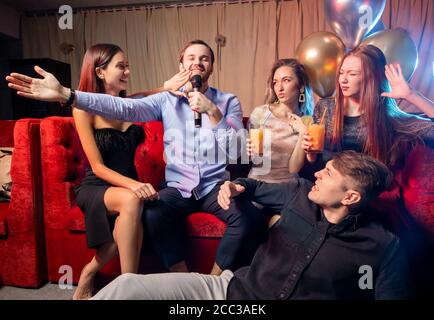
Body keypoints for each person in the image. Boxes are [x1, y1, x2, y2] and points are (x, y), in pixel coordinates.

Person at [6, 39, 262, 276]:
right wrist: (68, 94)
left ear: (212, 67)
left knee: (245, 218)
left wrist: (213, 112)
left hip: (213, 186)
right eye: (191, 57)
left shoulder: (229, 102)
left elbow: (236, 149)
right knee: (151, 215)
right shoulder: (165, 101)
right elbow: (124, 106)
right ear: (181, 65)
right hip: (178, 187)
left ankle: (212, 282)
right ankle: (183, 278)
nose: (197, 62)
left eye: (204, 58)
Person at [89, 150, 412, 300]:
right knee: (128, 286)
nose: (317, 174)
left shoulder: (383, 247)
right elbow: (253, 186)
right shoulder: (299, 193)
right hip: (231, 292)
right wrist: (235, 185)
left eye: (328, 174)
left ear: (351, 196)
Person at [23, 43, 190, 300]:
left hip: (127, 186)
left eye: (127, 66)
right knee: (134, 200)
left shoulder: (131, 104)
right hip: (98, 185)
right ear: (100, 72)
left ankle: (94, 274)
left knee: (129, 219)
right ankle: (130, 289)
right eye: (121, 66)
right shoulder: (82, 109)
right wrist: (134, 185)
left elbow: (153, 94)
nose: (128, 71)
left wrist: (165, 87)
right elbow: (98, 167)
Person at [298, 45, 433, 171]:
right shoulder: (325, 107)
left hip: (367, 185)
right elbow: (316, 162)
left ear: (371, 78)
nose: (343, 80)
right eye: (341, 73)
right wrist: (311, 155)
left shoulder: (386, 115)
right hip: (330, 182)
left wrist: (411, 95)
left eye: (352, 74)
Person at [246, 58, 313, 183]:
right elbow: (253, 158)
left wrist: (303, 132)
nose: (279, 88)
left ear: (301, 86)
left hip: (289, 188)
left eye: (286, 80)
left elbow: (293, 169)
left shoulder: (307, 121)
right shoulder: (260, 113)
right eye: (275, 82)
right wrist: (248, 151)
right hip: (257, 184)